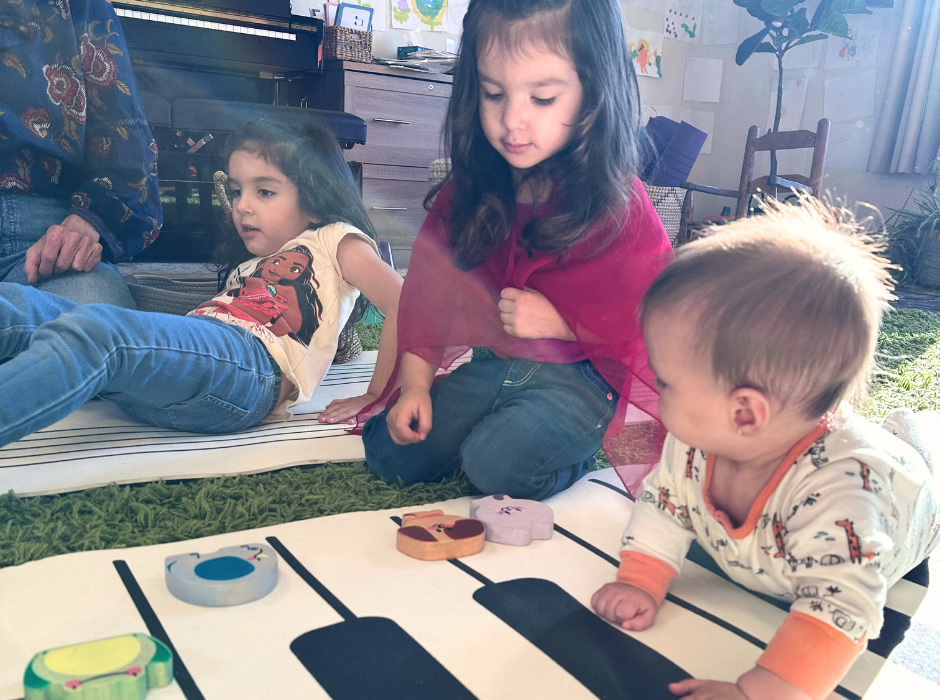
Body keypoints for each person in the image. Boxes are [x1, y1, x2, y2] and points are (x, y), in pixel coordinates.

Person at [591, 200, 940, 700]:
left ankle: (914, 446)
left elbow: (841, 611)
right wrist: (641, 579)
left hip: (909, 511)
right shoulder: (695, 441)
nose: (654, 389)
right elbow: (664, 508)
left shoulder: (839, 500)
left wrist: (763, 690)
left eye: (666, 382)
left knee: (914, 474)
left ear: (745, 414)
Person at [358, 0, 673, 501]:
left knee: (494, 465)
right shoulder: (468, 192)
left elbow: (659, 319)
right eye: (493, 93)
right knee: (389, 453)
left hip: (582, 381)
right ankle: (498, 428)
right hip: (494, 366)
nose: (512, 122)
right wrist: (416, 387)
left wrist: (564, 325)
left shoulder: (620, 203)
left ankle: (569, 456)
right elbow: (426, 300)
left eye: (543, 98)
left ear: (593, 93)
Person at [0, 119, 401, 446]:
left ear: (315, 199)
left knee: (96, 332)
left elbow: (405, 302)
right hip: (178, 383)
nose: (242, 205)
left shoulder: (334, 239)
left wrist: (378, 393)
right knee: (21, 305)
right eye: (238, 190)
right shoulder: (248, 266)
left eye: (264, 191)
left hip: (250, 369)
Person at [0, 0, 161, 307]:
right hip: (48, 238)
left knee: (99, 327)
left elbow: (122, 135)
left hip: (48, 240)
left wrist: (89, 220)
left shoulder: (79, 5)